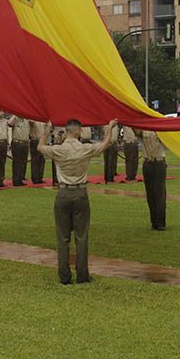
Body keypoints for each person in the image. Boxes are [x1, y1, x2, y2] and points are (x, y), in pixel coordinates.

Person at [37, 119, 118, 284]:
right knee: (81, 237)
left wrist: (46, 130)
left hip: (63, 193)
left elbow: (40, 147)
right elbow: (104, 145)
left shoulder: (58, 150)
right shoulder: (84, 149)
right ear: (79, 131)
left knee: (63, 237)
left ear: (66, 132)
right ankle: (82, 275)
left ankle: (64, 276)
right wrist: (109, 128)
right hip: (80, 193)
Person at [140, 129, 167, 230]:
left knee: (159, 193)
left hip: (159, 162)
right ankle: (154, 221)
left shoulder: (160, 129)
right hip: (147, 162)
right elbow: (135, 130)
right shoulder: (142, 130)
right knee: (150, 193)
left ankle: (161, 222)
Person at [9, 114, 31, 186]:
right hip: (17, 143)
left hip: (25, 143)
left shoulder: (26, 121)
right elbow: (9, 123)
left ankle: (21, 178)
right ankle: (16, 180)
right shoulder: (15, 119)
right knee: (17, 162)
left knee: (23, 162)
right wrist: (15, 114)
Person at [29, 119, 47, 184]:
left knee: (42, 160)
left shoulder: (43, 120)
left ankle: (40, 177)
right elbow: (30, 123)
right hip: (35, 140)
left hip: (42, 140)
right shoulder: (33, 119)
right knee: (35, 160)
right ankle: (35, 178)